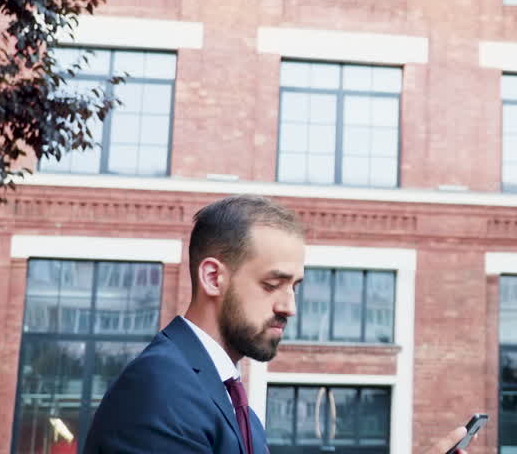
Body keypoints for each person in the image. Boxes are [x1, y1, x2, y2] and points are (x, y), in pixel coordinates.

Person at [83, 194, 473, 454]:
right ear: (213, 278)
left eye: (295, 286)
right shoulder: (160, 391)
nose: (290, 307)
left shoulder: (234, 406)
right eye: (272, 284)